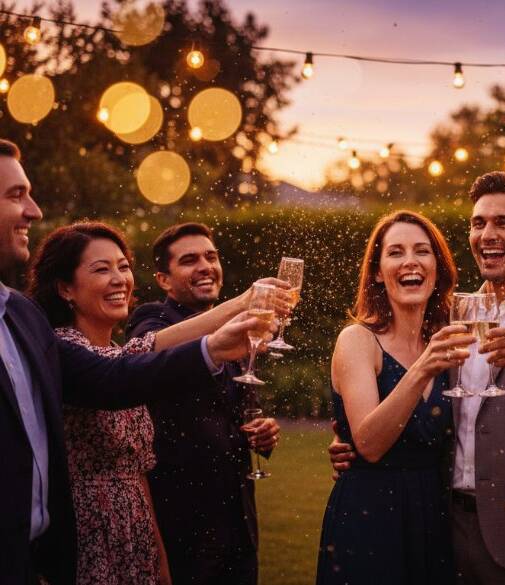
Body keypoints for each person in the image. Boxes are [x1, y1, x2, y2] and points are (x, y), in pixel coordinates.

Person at [0, 139, 262, 585]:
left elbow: (141, 356)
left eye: (123, 266)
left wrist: (159, 560)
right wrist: (222, 334)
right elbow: (120, 374)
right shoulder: (56, 343)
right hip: (86, 535)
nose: (120, 278)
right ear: (66, 287)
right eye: (102, 269)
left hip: (137, 531)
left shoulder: (28, 319)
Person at [331, 172, 505, 585]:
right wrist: (344, 440)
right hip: (443, 530)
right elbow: (401, 403)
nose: (487, 234)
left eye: (504, 223)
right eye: (478, 223)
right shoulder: (451, 318)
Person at [316, 210, 475, 584]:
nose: (410, 261)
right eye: (395, 252)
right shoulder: (357, 341)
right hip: (370, 515)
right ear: (376, 271)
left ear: (437, 267)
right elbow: (369, 444)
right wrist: (422, 369)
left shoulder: (450, 338)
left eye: (422, 251)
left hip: (434, 514)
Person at [126, 222, 282, 585]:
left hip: (238, 516)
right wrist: (242, 303)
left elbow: (239, 409)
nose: (205, 266)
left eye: (211, 257)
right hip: (182, 516)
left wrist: (261, 430)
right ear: (164, 279)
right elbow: (146, 351)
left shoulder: (242, 328)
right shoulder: (152, 319)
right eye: (189, 260)